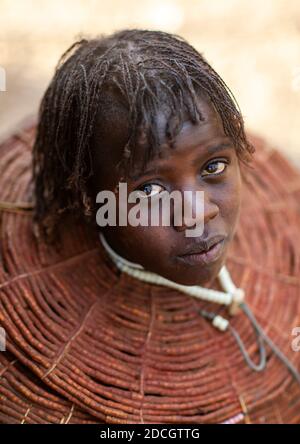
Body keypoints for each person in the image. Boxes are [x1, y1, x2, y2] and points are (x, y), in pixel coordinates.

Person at [0, 29, 299, 424]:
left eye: (213, 167)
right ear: (87, 201)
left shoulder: (289, 240)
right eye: (151, 189)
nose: (196, 214)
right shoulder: (22, 360)